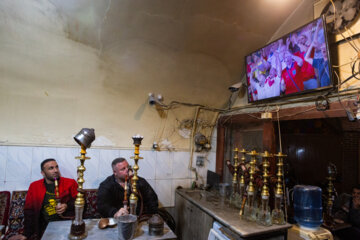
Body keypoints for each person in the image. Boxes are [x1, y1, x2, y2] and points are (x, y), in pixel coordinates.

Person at [9, 159, 78, 240]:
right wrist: (26, 234)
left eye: (56, 167)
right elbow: (29, 211)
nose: (55, 170)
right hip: (44, 227)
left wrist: (67, 205)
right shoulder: (34, 186)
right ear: (43, 173)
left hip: (66, 224)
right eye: (51, 168)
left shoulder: (70, 183)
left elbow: (80, 202)